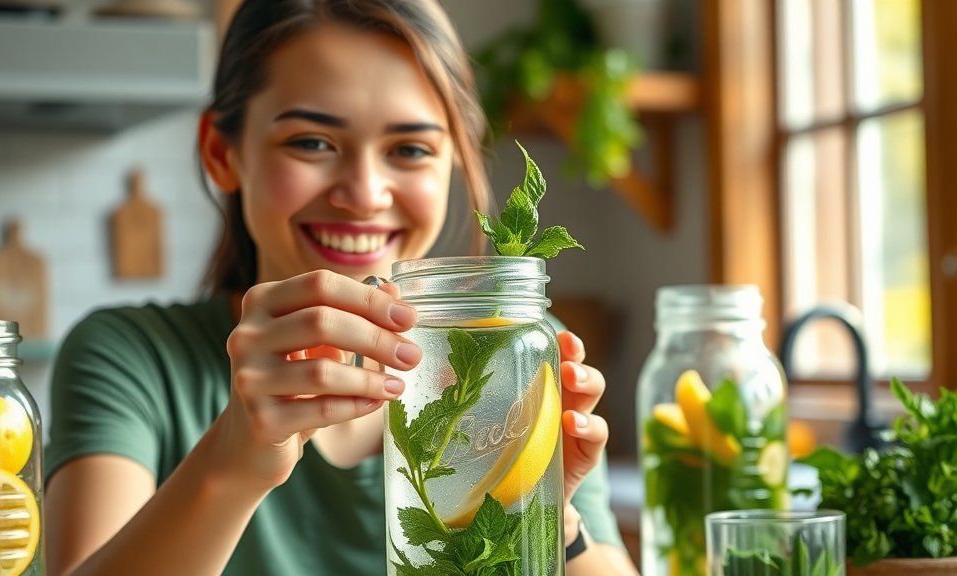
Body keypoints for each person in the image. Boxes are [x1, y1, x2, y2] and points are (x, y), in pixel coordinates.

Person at [43, 0, 639, 574]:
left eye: (409, 149)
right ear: (221, 152)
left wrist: (548, 519)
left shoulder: (517, 348)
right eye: (312, 142)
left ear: (452, 160)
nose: (363, 194)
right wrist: (234, 459)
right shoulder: (129, 358)